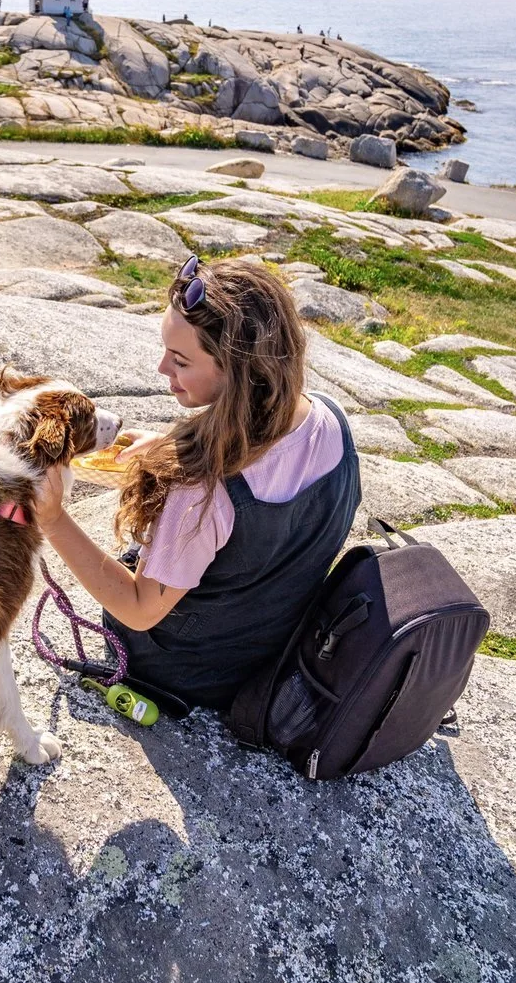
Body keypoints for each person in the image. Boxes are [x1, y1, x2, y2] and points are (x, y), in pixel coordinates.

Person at [33, 258, 361, 715]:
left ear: (239, 371)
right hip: (276, 647)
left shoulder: (201, 491)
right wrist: (171, 445)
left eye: (181, 360)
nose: (161, 367)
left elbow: (139, 610)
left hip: (188, 671)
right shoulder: (329, 418)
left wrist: (52, 518)